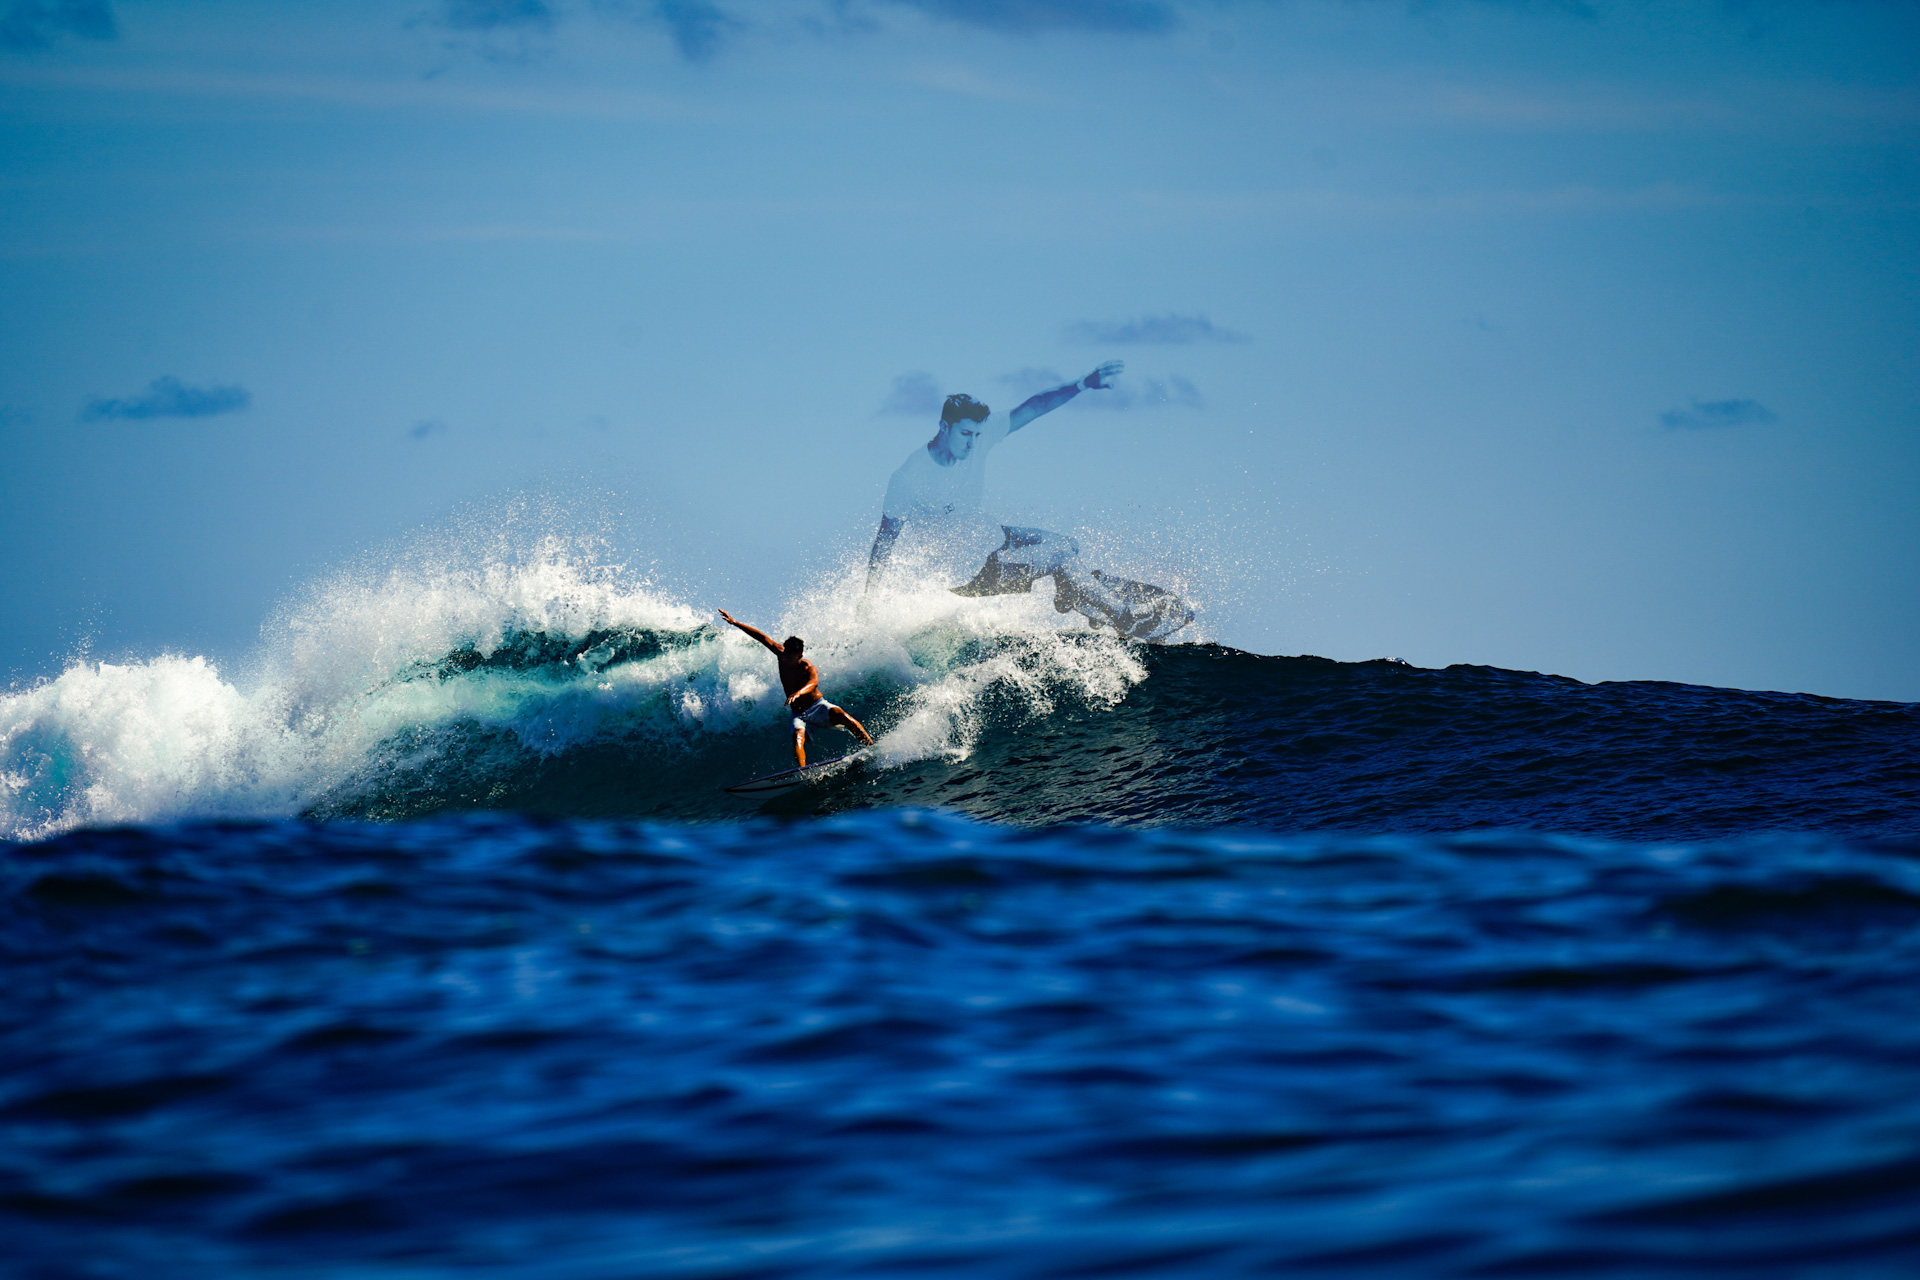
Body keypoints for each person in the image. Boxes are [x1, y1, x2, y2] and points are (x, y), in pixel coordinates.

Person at [860, 360, 1192, 641]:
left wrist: (1082, 384)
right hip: (973, 572)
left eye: (977, 434)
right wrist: (868, 602)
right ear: (944, 427)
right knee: (1061, 555)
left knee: (1068, 544)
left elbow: (1032, 408)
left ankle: (1076, 593)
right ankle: (1123, 615)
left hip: (991, 537)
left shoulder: (980, 435)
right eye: (965, 434)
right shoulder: (909, 478)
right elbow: (884, 541)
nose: (973, 443)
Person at [717, 608, 874, 768]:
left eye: (791, 658)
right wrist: (734, 622)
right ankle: (803, 772)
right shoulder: (781, 653)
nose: (787, 659)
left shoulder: (807, 667)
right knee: (797, 737)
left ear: (800, 656)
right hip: (799, 713)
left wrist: (797, 693)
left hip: (817, 706)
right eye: (786, 655)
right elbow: (761, 637)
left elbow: (814, 683)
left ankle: (871, 746)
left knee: (841, 715)